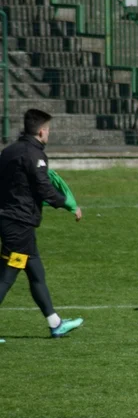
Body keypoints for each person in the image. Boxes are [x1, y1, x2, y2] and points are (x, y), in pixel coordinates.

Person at [0, 109, 84, 342]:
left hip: (15, 223)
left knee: (36, 273)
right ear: (41, 130)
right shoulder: (33, 154)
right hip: (18, 225)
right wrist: (68, 204)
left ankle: (55, 323)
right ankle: (55, 324)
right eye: (48, 130)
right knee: (6, 277)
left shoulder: (9, 151)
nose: (49, 133)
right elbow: (43, 186)